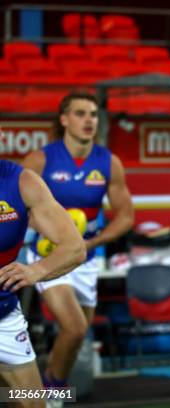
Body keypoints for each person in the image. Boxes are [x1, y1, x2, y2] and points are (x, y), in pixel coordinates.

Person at [22, 92, 134, 391]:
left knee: (75, 336)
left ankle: (50, 387)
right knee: (74, 328)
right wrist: (46, 228)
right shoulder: (41, 159)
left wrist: (91, 242)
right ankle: (49, 396)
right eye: (80, 113)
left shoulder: (108, 162)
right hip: (48, 255)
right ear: (64, 119)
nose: (89, 120)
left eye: (93, 114)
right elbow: (20, 206)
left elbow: (125, 217)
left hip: (86, 258)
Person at [0, 159, 86, 408]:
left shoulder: (22, 183)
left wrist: (37, 270)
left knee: (32, 402)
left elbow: (74, 247)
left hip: (3, 316)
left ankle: (57, 390)